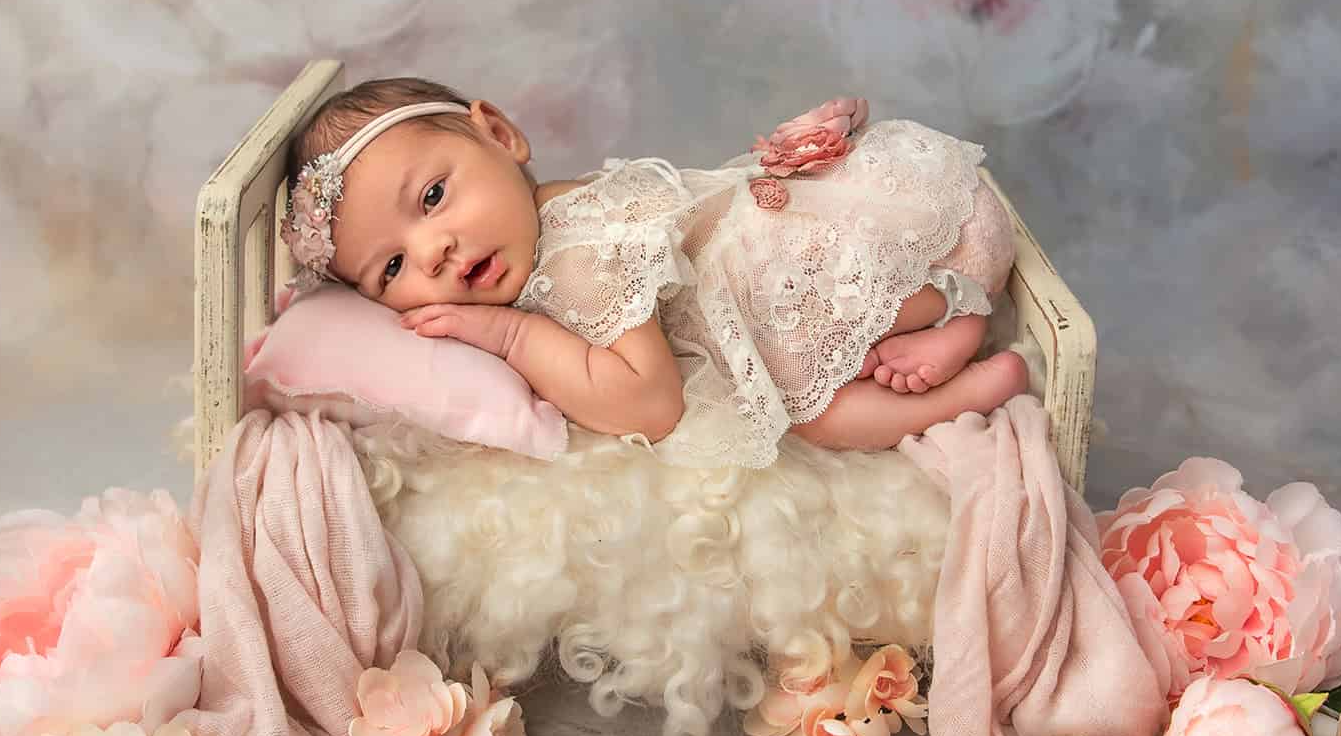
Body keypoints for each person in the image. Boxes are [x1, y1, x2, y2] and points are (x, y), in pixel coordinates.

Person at [282, 76, 1027, 466]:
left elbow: (650, 405)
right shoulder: (558, 206)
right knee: (812, 343)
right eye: (392, 267)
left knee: (806, 417)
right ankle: (948, 317)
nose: (434, 252)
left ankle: (959, 345)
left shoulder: (578, 260)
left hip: (857, 251)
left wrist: (512, 338)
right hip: (899, 211)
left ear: (501, 135)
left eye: (433, 198)